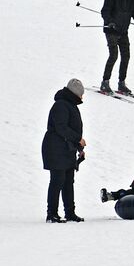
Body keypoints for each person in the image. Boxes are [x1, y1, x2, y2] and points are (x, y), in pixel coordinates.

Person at [42, 78, 86, 223]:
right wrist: (78, 139)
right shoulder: (61, 105)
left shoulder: (70, 105)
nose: (82, 97)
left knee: (68, 181)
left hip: (66, 149)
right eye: (81, 94)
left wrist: (79, 148)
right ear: (75, 93)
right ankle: (52, 214)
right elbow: (61, 128)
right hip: (55, 149)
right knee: (57, 181)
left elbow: (71, 129)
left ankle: (70, 213)